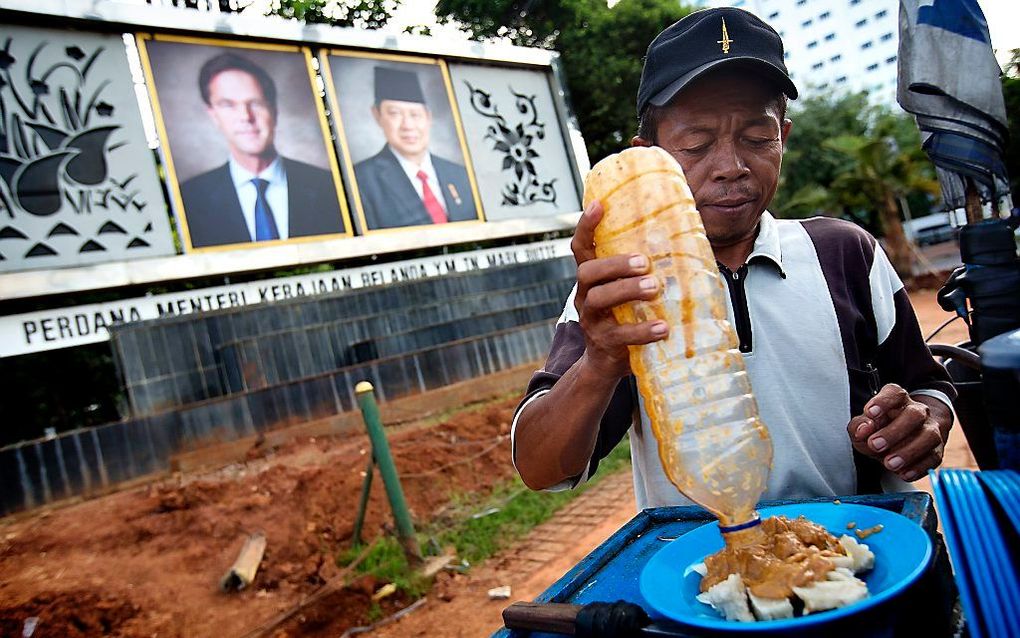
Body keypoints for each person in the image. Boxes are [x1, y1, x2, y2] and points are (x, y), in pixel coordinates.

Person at [512, 7, 957, 511]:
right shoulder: (620, 290)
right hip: (709, 574)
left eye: (757, 138)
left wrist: (921, 422)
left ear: (783, 139)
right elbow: (541, 468)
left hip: (870, 553)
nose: (731, 167)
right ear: (649, 154)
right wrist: (599, 361)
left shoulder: (846, 252)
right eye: (696, 144)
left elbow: (927, 385)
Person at [180, 53, 344, 248]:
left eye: (255, 103)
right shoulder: (190, 198)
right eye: (228, 105)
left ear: (274, 110)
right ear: (213, 116)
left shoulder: (328, 186)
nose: (245, 116)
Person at [353, 66, 478, 230]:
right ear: (377, 115)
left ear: (428, 117)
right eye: (395, 113)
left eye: (415, 114)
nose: (408, 125)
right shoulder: (361, 181)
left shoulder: (461, 174)